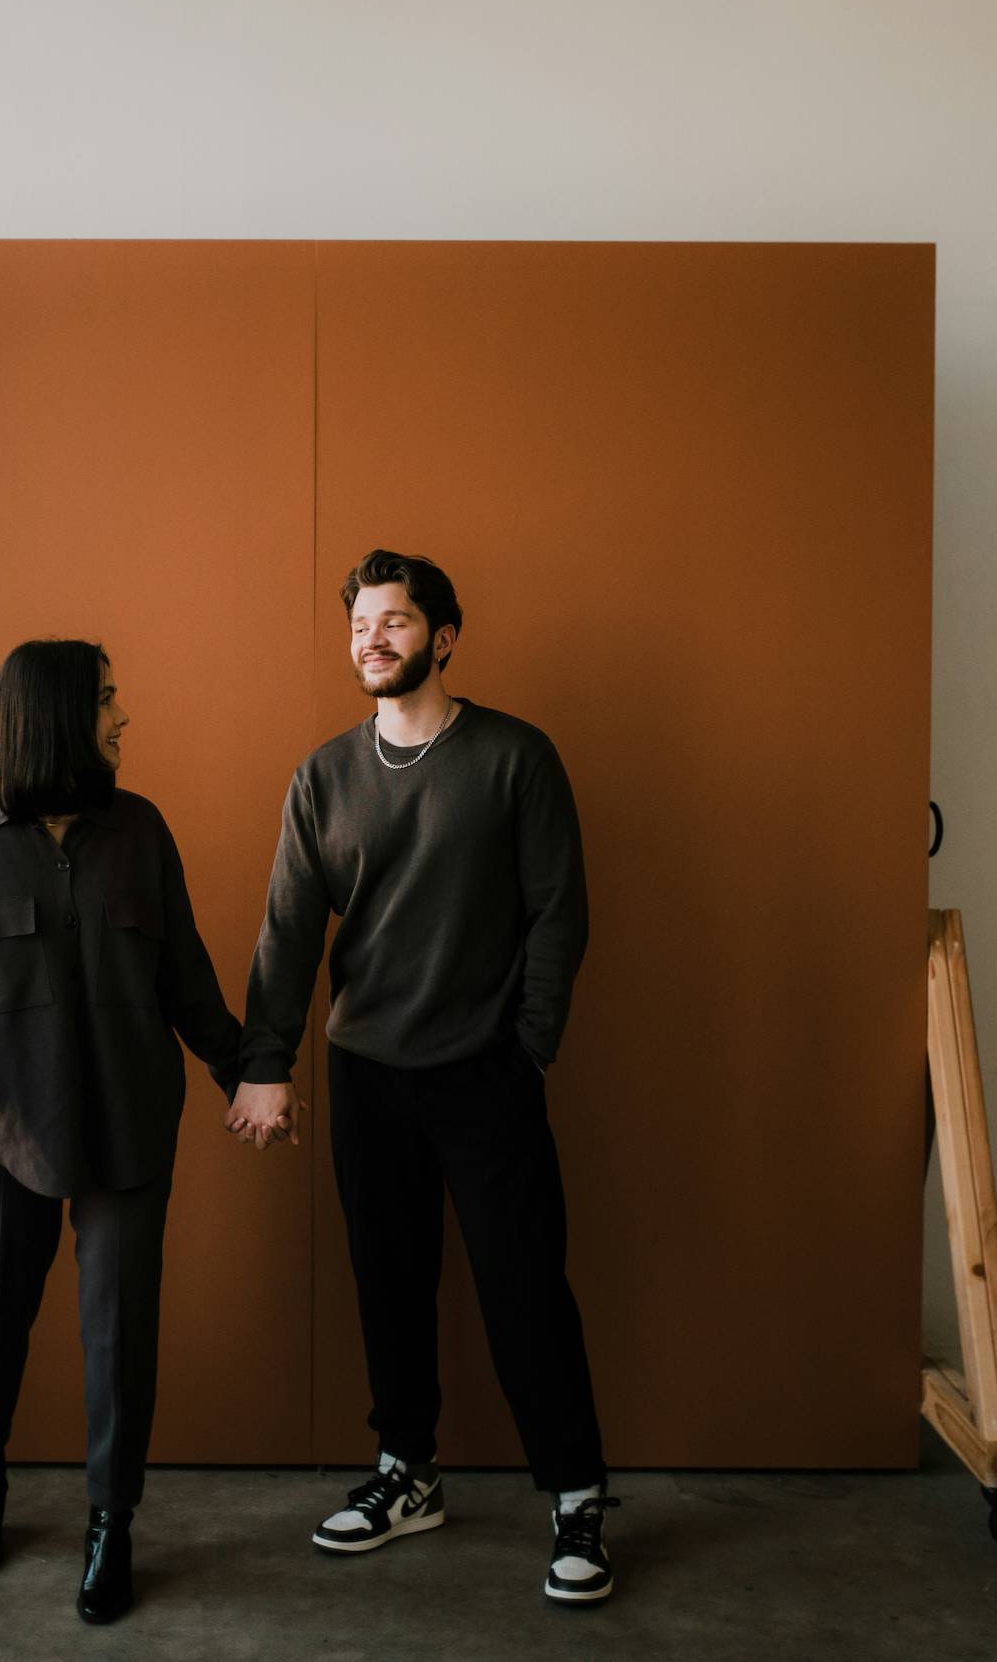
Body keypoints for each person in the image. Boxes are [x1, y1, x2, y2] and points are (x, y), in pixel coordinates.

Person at [226, 550, 618, 1605]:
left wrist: (529, 1040)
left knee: (523, 1286)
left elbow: (557, 910)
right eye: (361, 622)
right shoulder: (323, 775)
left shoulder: (513, 757)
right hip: (367, 1074)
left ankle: (576, 1495)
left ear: (443, 635)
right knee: (388, 1286)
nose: (373, 638)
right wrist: (266, 1062)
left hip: (484, 1071)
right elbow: (287, 930)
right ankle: (408, 1473)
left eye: (395, 621)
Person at [0, 639, 246, 1626]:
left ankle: (112, 1523)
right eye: (107, 700)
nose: (121, 717)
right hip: (4, 1122)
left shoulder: (140, 831)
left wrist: (249, 1073)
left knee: (119, 1332)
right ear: (57, 713)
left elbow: (185, 973)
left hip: (130, 1123)